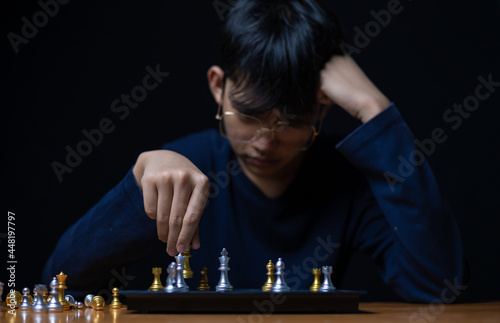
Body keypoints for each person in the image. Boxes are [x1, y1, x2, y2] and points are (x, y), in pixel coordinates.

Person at [43, 0, 466, 302]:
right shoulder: (180, 168)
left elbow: (436, 285)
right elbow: (60, 283)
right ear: (216, 86)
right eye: (248, 114)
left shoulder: (347, 180)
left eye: (291, 121)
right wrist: (134, 189)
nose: (264, 141)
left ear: (323, 108)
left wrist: (376, 111)